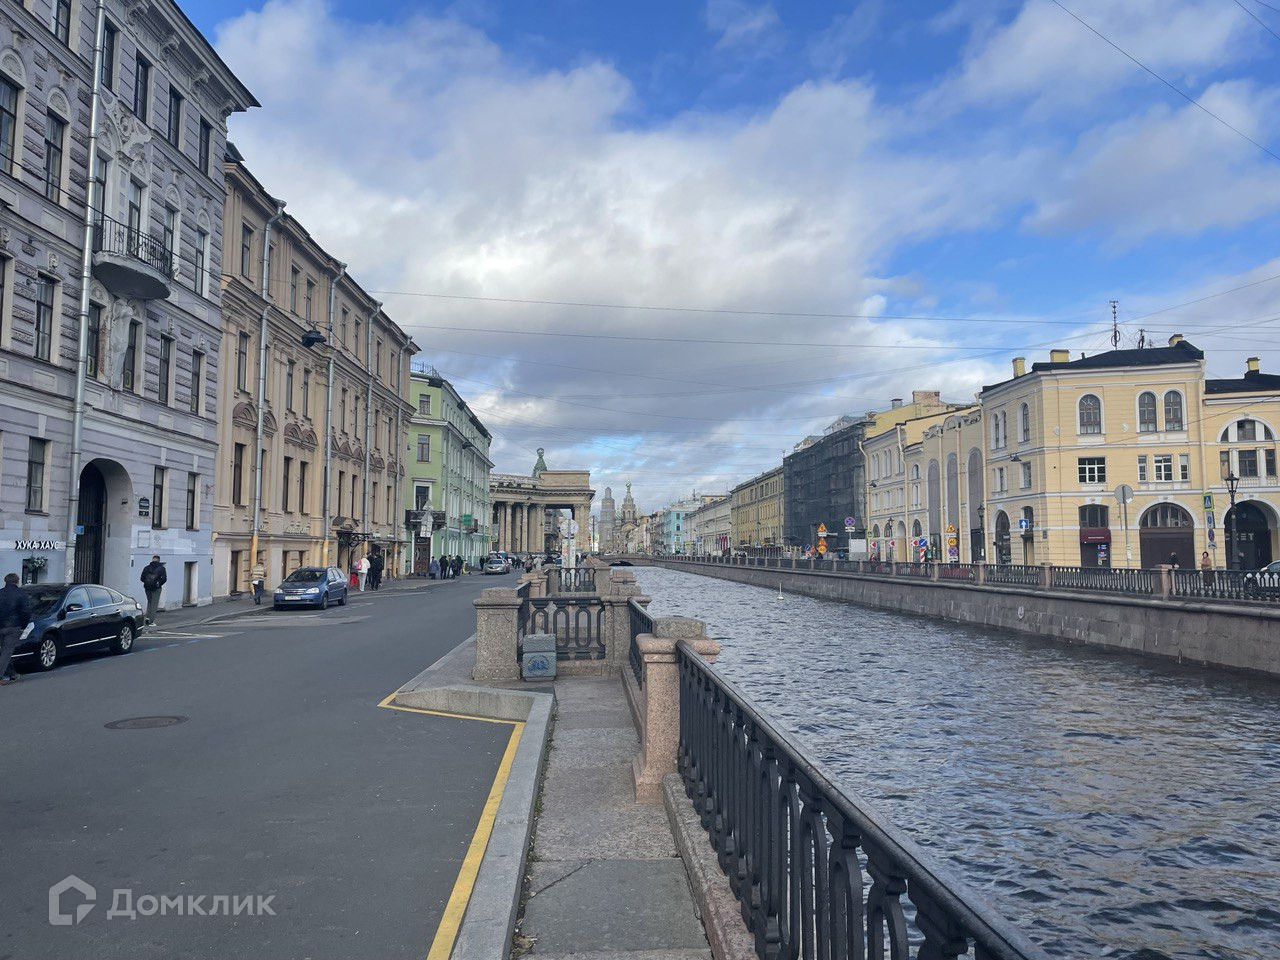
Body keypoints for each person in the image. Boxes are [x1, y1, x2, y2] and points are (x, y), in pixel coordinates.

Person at [0, 572, 33, 685]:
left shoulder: (0, 593)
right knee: (6, 651)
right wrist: (23, 626)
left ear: (6, 581)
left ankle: (12, 673)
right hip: (13, 626)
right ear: (17, 581)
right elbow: (26, 611)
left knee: (4, 651)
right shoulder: (21, 594)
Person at [140, 555, 167, 626]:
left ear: (152, 560)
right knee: (154, 604)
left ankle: (147, 617)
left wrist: (147, 582)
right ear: (159, 560)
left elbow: (142, 578)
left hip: (147, 588)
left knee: (149, 602)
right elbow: (164, 579)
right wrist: (159, 583)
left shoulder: (146, 568)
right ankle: (151, 621)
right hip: (156, 588)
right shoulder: (161, 568)